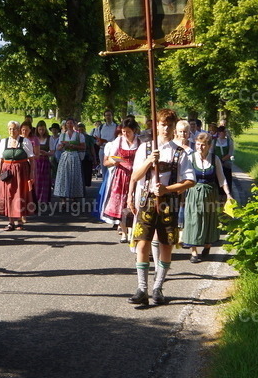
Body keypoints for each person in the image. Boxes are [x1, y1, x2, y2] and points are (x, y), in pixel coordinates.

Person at [127, 108, 195, 306]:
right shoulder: (145, 148)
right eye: (163, 124)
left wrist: (167, 189)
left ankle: (158, 288)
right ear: (156, 125)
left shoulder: (180, 152)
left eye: (169, 125)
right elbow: (135, 176)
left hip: (169, 202)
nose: (166, 128)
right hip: (147, 201)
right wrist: (149, 162)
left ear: (174, 128)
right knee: (142, 243)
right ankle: (142, 288)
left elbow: (190, 181)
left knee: (166, 244)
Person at [183, 132, 234, 263]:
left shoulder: (214, 159)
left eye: (203, 145)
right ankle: (194, 252)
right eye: (198, 144)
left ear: (209, 146)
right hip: (194, 193)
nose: (200, 147)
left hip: (211, 194)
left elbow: (222, 178)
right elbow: (183, 177)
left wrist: (228, 194)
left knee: (210, 220)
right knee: (193, 220)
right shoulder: (190, 158)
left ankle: (207, 245)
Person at [100, 118, 141, 243]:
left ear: (134, 131)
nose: (125, 134)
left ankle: (133, 231)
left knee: (135, 203)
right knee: (121, 205)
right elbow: (108, 160)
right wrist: (113, 161)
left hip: (136, 176)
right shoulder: (118, 141)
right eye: (123, 131)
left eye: (128, 131)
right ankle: (124, 233)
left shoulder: (140, 142)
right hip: (121, 176)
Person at [0, 120, 36, 230]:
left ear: (18, 130)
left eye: (14, 129)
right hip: (7, 172)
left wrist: (32, 174)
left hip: (21, 172)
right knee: (8, 195)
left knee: (20, 195)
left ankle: (20, 221)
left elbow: (32, 159)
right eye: (10, 129)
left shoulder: (25, 141)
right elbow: (1, 160)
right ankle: (10, 222)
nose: (12, 131)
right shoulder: (4, 142)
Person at [53, 117, 85, 208]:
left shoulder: (79, 135)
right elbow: (58, 148)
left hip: (75, 156)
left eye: (71, 123)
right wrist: (62, 145)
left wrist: (73, 146)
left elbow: (83, 147)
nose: (70, 125)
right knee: (64, 176)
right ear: (66, 125)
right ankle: (63, 199)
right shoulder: (62, 135)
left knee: (74, 176)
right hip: (65, 156)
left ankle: (74, 198)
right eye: (68, 123)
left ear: (74, 124)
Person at [33, 120, 56, 210]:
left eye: (43, 129)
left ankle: (43, 200)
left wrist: (46, 153)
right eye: (40, 129)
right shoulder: (35, 138)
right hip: (36, 161)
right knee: (36, 181)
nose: (41, 131)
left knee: (45, 181)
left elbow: (52, 152)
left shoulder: (49, 138)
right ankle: (36, 199)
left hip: (45, 161)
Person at [212, 125, 235, 195]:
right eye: (223, 132)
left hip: (226, 164)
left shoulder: (229, 142)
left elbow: (230, 153)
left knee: (227, 179)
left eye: (225, 132)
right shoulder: (214, 141)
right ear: (219, 133)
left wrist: (222, 160)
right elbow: (212, 152)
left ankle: (226, 194)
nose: (225, 133)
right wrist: (217, 161)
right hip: (216, 163)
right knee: (217, 179)